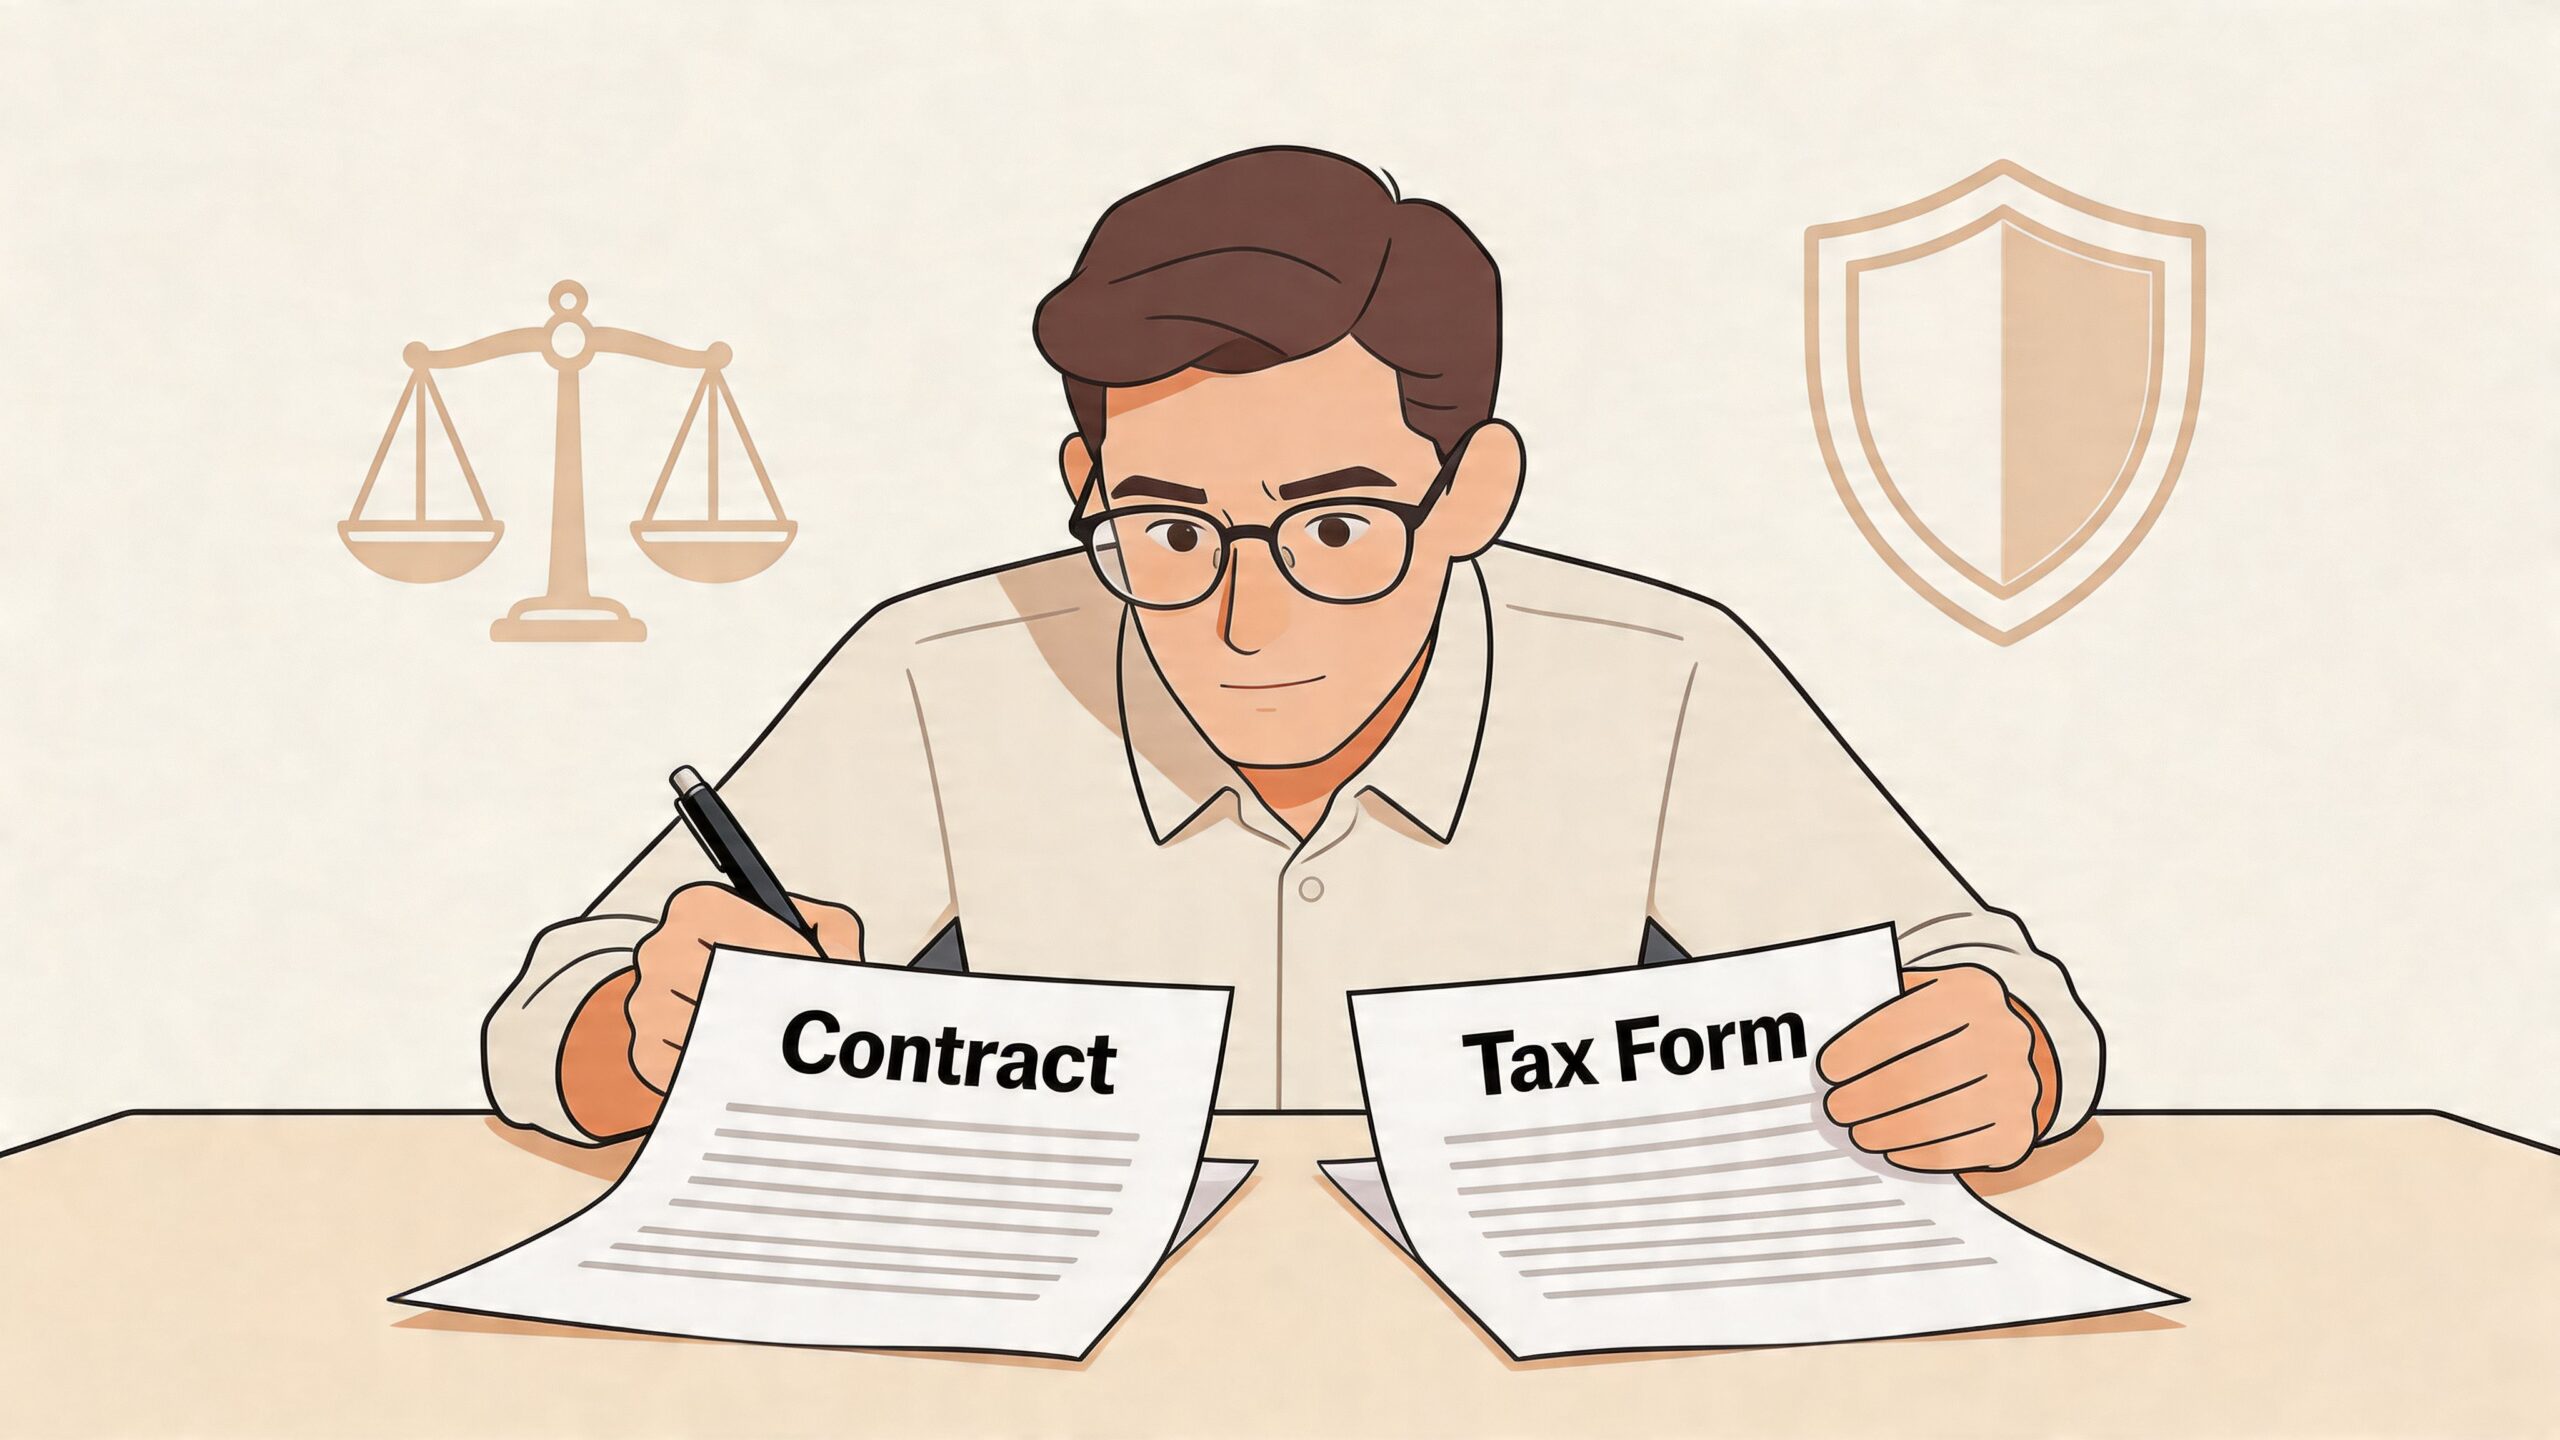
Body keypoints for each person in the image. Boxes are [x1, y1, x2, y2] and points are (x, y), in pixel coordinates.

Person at [483, 146, 2100, 1173]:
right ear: (1086, 495)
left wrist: (1997, 1055)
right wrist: (639, 1031)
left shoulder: (1657, 680)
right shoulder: (938, 673)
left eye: (1334, 530)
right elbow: (546, 1022)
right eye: (1169, 532)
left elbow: (1996, 987)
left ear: (1473, 495)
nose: (1246, 629)